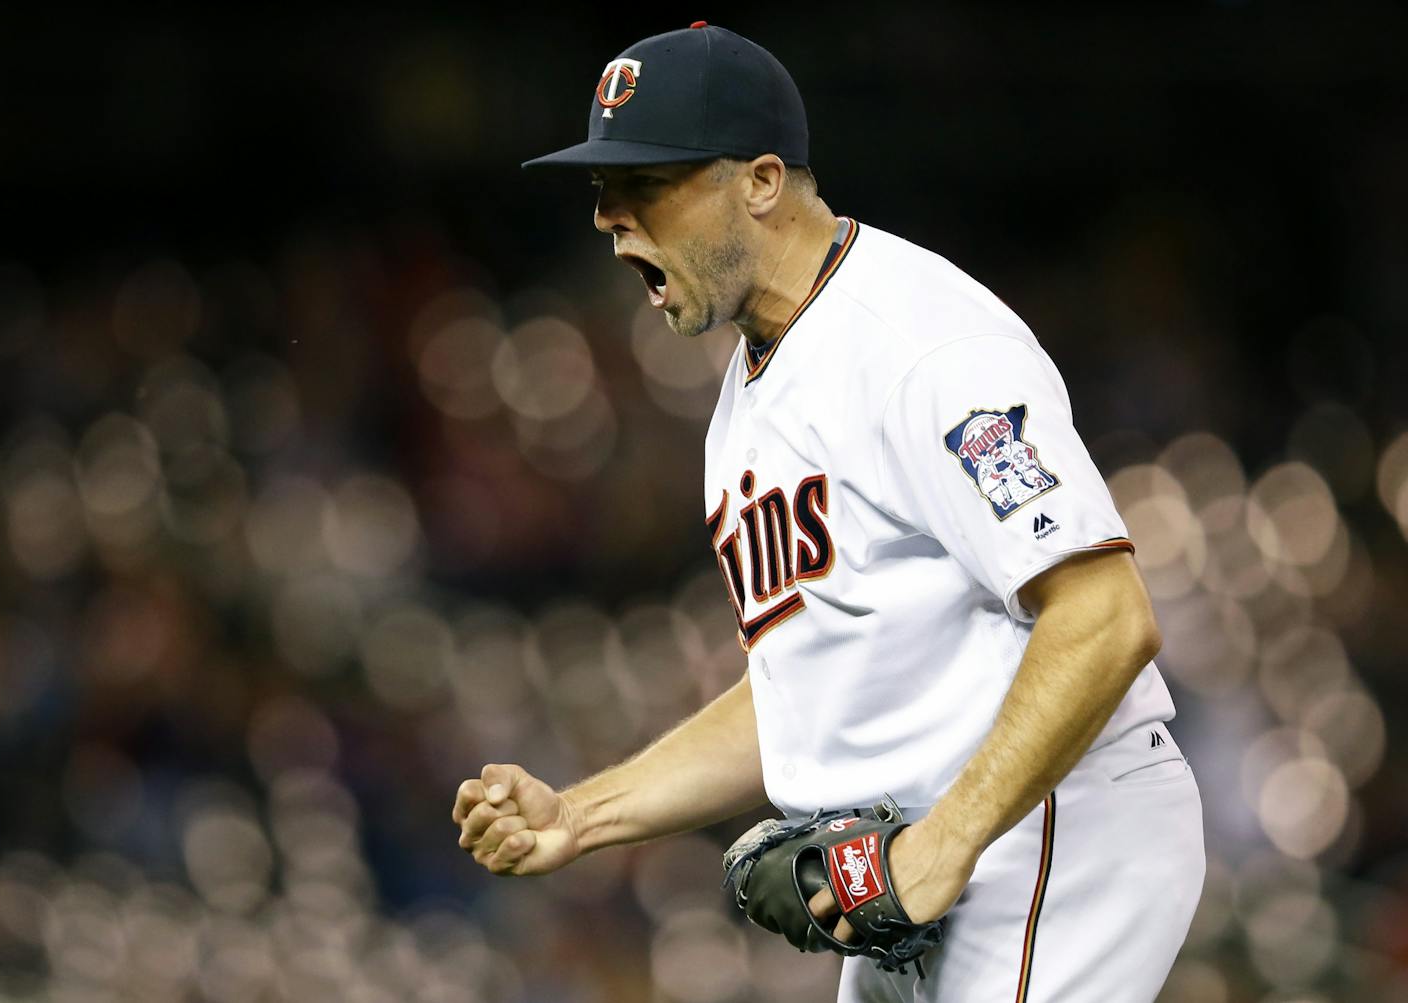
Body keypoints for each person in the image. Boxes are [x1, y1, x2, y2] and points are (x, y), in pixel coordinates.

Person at [455, 22, 1204, 1003]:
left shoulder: (923, 346)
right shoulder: (749, 394)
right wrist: (582, 814)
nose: (610, 219)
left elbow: (1106, 614)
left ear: (762, 181)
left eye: (646, 184)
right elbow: (804, 692)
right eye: (603, 190)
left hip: (1051, 832)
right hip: (922, 862)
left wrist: (946, 842)